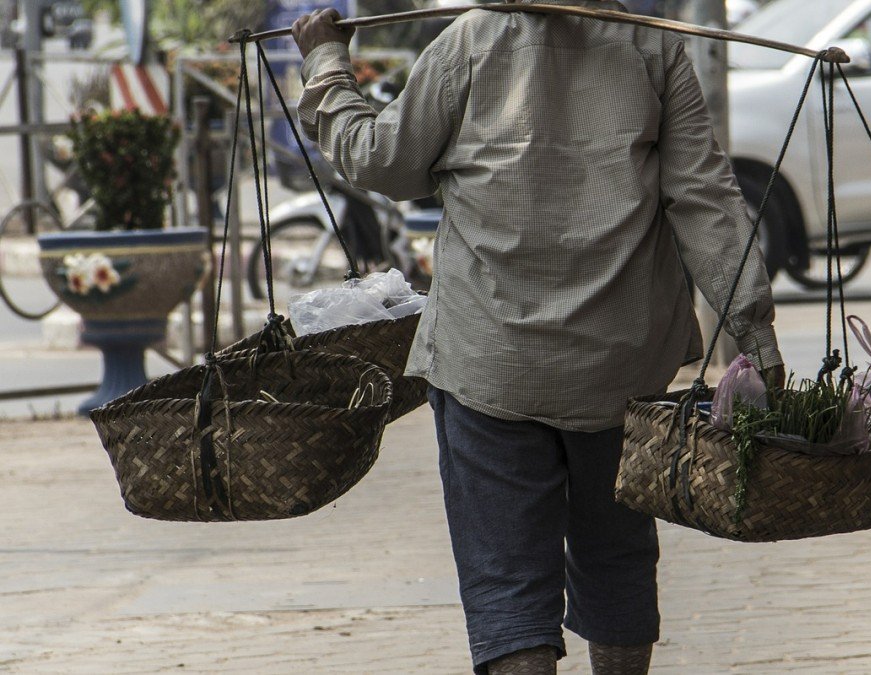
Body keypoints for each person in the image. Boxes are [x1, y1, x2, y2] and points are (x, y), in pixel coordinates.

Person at [292, 2, 784, 673]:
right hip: (621, 371)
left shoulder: (468, 42)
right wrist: (754, 334)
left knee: (507, 583)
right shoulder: (654, 48)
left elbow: (380, 160)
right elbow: (705, 198)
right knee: (616, 557)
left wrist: (324, 61)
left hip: (488, 365)